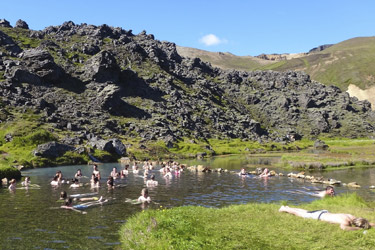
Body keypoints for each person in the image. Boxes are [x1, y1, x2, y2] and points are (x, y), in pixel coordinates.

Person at [279, 205, 374, 230]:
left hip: (324, 212)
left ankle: (288, 207)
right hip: (319, 216)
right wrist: (357, 229)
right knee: (300, 214)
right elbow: (343, 228)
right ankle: (284, 209)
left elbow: (366, 223)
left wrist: (371, 225)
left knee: (305, 211)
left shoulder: (352, 216)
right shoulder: (346, 221)